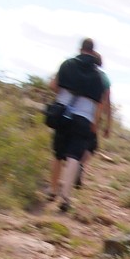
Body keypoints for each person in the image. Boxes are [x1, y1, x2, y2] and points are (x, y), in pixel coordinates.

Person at [46, 37, 111, 211]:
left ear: (80, 48)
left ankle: (52, 190)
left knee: (58, 153)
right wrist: (95, 124)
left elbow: (53, 86)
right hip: (84, 119)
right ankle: (66, 197)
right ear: (93, 52)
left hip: (62, 113)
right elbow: (100, 104)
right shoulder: (99, 77)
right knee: (74, 157)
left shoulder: (67, 64)